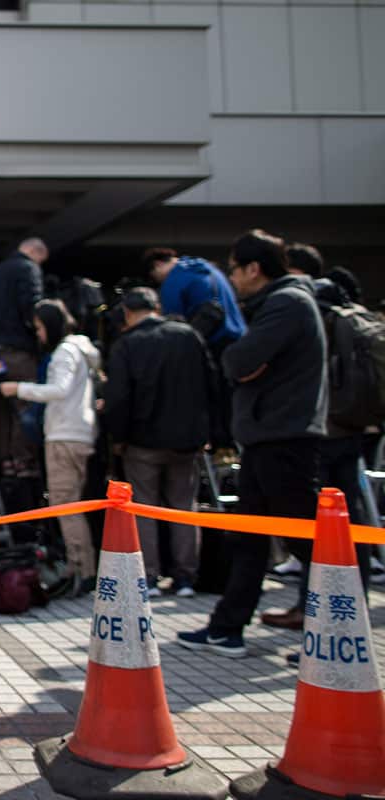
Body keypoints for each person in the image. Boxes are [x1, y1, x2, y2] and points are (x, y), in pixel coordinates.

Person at [177, 229, 326, 658]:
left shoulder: (286, 303)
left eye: (235, 270)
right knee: (251, 538)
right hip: (269, 435)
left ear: (254, 269)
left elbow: (238, 361)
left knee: (306, 540)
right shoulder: (279, 304)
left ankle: (333, 635)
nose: (232, 279)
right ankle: (227, 628)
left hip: (285, 437)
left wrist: (242, 363)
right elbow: (244, 365)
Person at [260, 250, 374, 663]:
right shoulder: (351, 315)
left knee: (319, 531)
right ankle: (344, 614)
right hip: (356, 430)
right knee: (352, 524)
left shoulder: (309, 314)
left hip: (320, 433)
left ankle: (323, 622)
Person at [105, 287, 214, 598]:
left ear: (127, 312)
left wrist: (118, 437)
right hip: (188, 440)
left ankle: (148, 577)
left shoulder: (127, 344)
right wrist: (209, 432)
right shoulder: (188, 336)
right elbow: (211, 383)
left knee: (144, 508)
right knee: (183, 507)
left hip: (143, 440)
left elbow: (118, 398)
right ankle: (185, 578)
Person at [0, 299, 101, 594]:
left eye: (41, 327)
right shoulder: (82, 351)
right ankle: (83, 568)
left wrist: (17, 389)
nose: (39, 334)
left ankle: (80, 569)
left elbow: (59, 390)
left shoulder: (64, 352)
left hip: (63, 436)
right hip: (79, 434)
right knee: (72, 504)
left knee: (65, 506)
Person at [0, 238, 48, 477]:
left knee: (1, 405)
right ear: (34, 253)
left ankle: (6, 460)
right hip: (16, 347)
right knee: (24, 400)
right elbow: (31, 305)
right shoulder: (28, 268)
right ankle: (23, 461)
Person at [143, 247, 246, 360]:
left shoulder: (174, 280)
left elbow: (171, 330)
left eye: (153, 276)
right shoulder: (210, 269)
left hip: (212, 348)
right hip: (240, 338)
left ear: (157, 264)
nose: (158, 280)